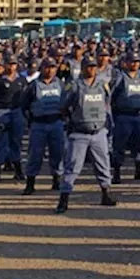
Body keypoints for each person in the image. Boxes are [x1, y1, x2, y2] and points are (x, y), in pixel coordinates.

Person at [56, 56, 118, 213]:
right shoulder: (74, 85)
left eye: (93, 66)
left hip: (99, 132)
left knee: (103, 164)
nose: (91, 69)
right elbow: (63, 106)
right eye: (88, 66)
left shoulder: (102, 85)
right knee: (72, 166)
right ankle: (64, 198)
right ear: (82, 68)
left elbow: (107, 104)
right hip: (79, 133)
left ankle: (106, 193)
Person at [21, 57, 66, 195]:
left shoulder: (61, 84)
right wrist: (31, 120)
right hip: (38, 124)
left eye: (53, 67)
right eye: (48, 67)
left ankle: (56, 181)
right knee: (35, 154)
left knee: (57, 153)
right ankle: (30, 183)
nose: (50, 70)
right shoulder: (33, 85)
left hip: (56, 123)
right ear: (42, 68)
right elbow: (24, 105)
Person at [110, 55, 140, 185]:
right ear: (126, 63)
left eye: (137, 62)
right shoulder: (120, 77)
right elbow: (112, 95)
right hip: (123, 116)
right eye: (132, 61)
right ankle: (116, 172)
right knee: (120, 145)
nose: (134, 64)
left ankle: (139, 169)